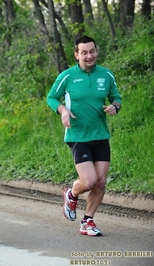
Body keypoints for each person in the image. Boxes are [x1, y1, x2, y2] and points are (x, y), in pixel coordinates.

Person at [47, 36, 122, 236]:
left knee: (101, 182)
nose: (89, 56)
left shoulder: (106, 75)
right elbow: (51, 97)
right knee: (88, 181)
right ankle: (71, 194)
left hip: (100, 134)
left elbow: (116, 97)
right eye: (84, 52)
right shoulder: (67, 76)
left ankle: (87, 221)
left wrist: (115, 106)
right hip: (77, 135)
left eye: (92, 51)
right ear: (76, 55)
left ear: (96, 51)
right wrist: (62, 110)